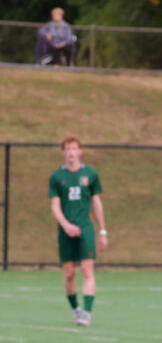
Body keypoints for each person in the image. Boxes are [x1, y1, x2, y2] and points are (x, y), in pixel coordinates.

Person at [48, 136, 107, 326]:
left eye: (74, 149)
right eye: (67, 149)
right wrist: (65, 225)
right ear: (63, 152)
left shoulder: (90, 174)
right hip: (66, 229)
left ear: (80, 151)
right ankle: (76, 310)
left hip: (85, 227)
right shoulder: (57, 177)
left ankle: (87, 314)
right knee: (70, 274)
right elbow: (55, 205)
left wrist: (103, 231)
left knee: (88, 271)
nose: (71, 153)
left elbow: (96, 202)